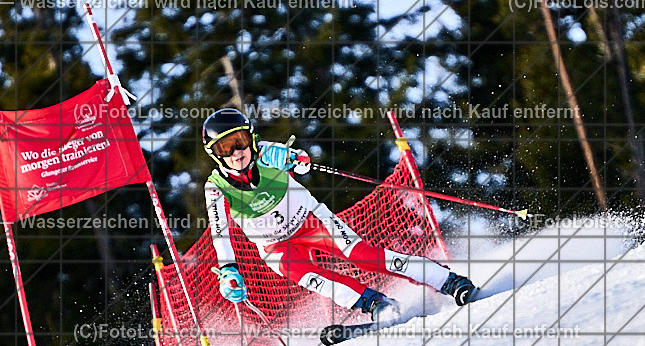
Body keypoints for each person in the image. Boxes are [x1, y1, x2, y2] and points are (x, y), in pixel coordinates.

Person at [202, 108, 476, 328]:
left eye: (239, 142)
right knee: (310, 277)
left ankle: (446, 280)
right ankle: (373, 303)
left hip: (310, 221)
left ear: (250, 138)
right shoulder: (216, 187)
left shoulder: (266, 153)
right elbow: (220, 231)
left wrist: (294, 158)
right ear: (215, 154)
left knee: (364, 256)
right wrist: (228, 270)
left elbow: (297, 159)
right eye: (225, 148)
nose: (236, 153)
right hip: (275, 246)